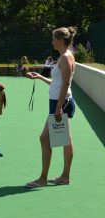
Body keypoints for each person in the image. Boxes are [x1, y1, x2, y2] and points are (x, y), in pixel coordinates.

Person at [25, 27, 77, 189]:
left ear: (61, 40)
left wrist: (58, 107)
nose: (52, 41)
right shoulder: (63, 57)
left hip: (61, 103)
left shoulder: (66, 58)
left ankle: (43, 179)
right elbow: (58, 83)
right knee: (65, 139)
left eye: (54, 38)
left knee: (45, 138)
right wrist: (40, 77)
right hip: (59, 102)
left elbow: (66, 84)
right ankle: (64, 177)